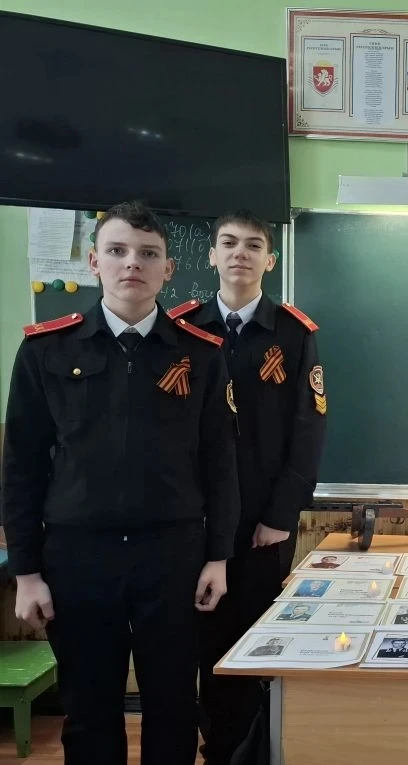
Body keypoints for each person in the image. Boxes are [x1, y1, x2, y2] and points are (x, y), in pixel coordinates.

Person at [1, 201, 240, 765]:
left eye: (148, 254)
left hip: (172, 558)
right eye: (117, 250)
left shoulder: (200, 354)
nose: (133, 263)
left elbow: (221, 463)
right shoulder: (46, 350)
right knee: (88, 711)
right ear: (94, 262)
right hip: (79, 559)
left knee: (174, 706)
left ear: (168, 270)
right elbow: (21, 467)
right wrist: (27, 573)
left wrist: (218, 557)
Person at [168, 209, 326, 765]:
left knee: (257, 644)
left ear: (270, 260)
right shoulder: (182, 328)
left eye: (253, 245)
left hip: (263, 524)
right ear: (212, 255)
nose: (240, 253)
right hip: (195, 523)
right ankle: (218, 752)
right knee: (203, 646)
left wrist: (281, 515)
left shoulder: (294, 333)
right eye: (229, 243)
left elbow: (309, 429)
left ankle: (255, 753)